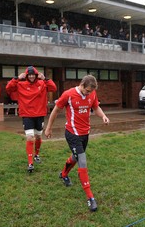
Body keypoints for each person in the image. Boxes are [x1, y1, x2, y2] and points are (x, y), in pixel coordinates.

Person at [44, 75, 110, 212]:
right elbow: (55, 110)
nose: (89, 94)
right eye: (87, 91)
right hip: (72, 134)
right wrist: (49, 128)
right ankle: (90, 198)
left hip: (85, 133)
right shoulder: (68, 94)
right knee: (82, 161)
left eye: (91, 92)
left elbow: (96, 107)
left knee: (75, 157)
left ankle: (63, 174)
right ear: (81, 85)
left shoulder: (92, 93)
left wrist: (103, 116)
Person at [6, 66, 57, 173]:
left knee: (38, 136)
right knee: (30, 137)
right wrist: (16, 78)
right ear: (27, 75)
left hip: (39, 114)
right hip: (27, 115)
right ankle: (30, 163)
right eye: (29, 75)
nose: (32, 76)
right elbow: (8, 88)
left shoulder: (42, 84)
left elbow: (53, 88)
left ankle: (36, 155)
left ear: (36, 75)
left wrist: (46, 79)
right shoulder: (20, 84)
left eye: (33, 74)